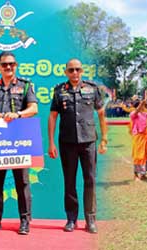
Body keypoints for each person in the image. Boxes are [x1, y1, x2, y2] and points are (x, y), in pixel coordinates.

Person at [0, 51, 38, 235]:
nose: (8, 67)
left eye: (12, 64)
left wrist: (18, 114)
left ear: (16, 65)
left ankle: (24, 220)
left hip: (19, 141)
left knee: (22, 182)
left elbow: (34, 108)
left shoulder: (25, 85)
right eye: (4, 64)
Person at [48, 59, 108, 233]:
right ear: (66, 72)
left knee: (89, 180)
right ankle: (71, 219)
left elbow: (101, 113)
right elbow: (52, 117)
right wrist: (51, 142)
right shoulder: (59, 91)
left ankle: (90, 220)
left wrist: (104, 138)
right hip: (67, 143)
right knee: (69, 181)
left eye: (78, 70)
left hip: (88, 141)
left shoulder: (92, 88)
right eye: (71, 70)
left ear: (82, 71)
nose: (75, 73)